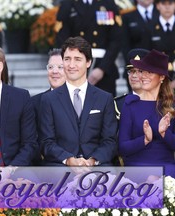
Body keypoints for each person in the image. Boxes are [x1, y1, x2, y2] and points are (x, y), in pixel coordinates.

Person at [39, 36, 118, 166]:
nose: (71, 65)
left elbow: (110, 141)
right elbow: (46, 142)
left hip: (97, 167)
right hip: (60, 167)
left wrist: (92, 161)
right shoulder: (48, 100)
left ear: (88, 62)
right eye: (67, 59)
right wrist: (69, 160)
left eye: (78, 59)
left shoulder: (104, 98)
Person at [118, 49, 175, 178]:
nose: (143, 76)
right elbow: (122, 147)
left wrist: (165, 133)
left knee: (158, 180)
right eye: (143, 71)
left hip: (167, 166)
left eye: (150, 72)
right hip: (137, 166)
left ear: (161, 77)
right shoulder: (130, 104)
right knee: (151, 180)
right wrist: (144, 140)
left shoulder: (171, 106)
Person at [55, 0, 122, 96]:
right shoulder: (68, 3)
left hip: (104, 67)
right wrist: (73, 65)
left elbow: (116, 39)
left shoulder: (108, 3)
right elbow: (61, 37)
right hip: (74, 67)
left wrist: (102, 68)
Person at [31, 48, 65, 165]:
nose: (54, 71)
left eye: (60, 67)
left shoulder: (79, 100)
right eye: (50, 67)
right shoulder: (34, 103)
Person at [121, 0, 159, 91]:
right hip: (135, 68)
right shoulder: (127, 16)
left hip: (159, 69)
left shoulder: (163, 14)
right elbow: (124, 45)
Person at [114, 48, 150, 118]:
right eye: (131, 71)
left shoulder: (163, 103)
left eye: (140, 71)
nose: (134, 75)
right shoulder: (117, 104)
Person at [149, 0, 175, 87]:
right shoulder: (150, 27)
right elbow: (148, 55)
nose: (167, 7)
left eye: (170, 3)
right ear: (157, 6)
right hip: (158, 78)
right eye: (163, 3)